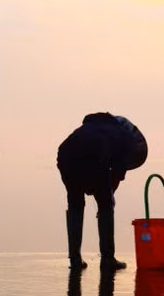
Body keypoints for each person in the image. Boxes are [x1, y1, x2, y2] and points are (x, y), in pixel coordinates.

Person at [57, 112, 147, 270]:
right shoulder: (126, 139)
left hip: (65, 154)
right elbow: (117, 175)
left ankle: (75, 260)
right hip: (94, 153)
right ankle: (107, 259)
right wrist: (107, 200)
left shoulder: (96, 127)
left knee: (75, 203)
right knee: (106, 204)